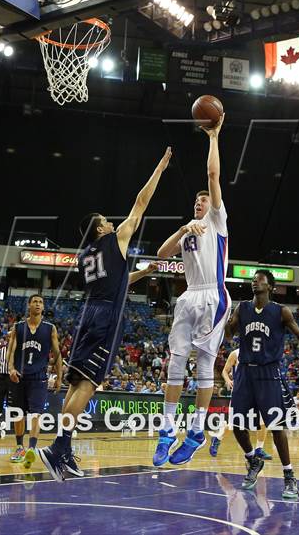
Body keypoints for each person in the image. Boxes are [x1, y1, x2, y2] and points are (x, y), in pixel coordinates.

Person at [38, 148, 172, 481]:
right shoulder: (114, 239)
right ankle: (58, 447)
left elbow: (117, 281)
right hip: (107, 317)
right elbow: (140, 204)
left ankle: (64, 451)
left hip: (89, 314)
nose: (112, 223)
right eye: (106, 222)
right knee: (89, 385)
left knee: (76, 385)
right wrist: (160, 167)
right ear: (100, 230)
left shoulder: (85, 258)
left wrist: (142, 273)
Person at [153, 116, 231, 467]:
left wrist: (213, 137)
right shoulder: (188, 230)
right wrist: (184, 227)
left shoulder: (217, 220)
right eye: (197, 203)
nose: (201, 205)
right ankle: (167, 430)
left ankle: (197, 431)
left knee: (203, 368)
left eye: (204, 203)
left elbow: (213, 177)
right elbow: (160, 255)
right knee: (174, 364)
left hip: (214, 296)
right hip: (188, 297)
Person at [226, 270, 299, 499]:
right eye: (253, 279)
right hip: (244, 371)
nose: (255, 281)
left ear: (270, 286)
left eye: (260, 279)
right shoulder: (241, 308)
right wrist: (225, 322)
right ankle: (253, 459)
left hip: (268, 373)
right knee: (236, 424)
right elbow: (228, 335)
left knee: (276, 427)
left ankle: (289, 476)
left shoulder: (280, 311)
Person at [7, 294, 63, 468]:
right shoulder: (18, 327)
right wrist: (10, 368)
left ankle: (31, 448)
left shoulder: (50, 328)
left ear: (43, 307)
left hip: (39, 377)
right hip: (20, 376)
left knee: (36, 414)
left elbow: (57, 353)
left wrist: (59, 376)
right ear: (29, 306)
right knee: (18, 413)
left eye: (40, 302)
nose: (38, 304)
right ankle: (19, 447)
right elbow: (10, 351)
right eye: (35, 302)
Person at [209, 348, 272, 460]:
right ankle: (217, 438)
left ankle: (259, 449)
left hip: (258, 392)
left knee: (263, 421)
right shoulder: (236, 353)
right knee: (234, 425)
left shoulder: (262, 352)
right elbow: (224, 371)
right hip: (241, 392)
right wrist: (228, 380)